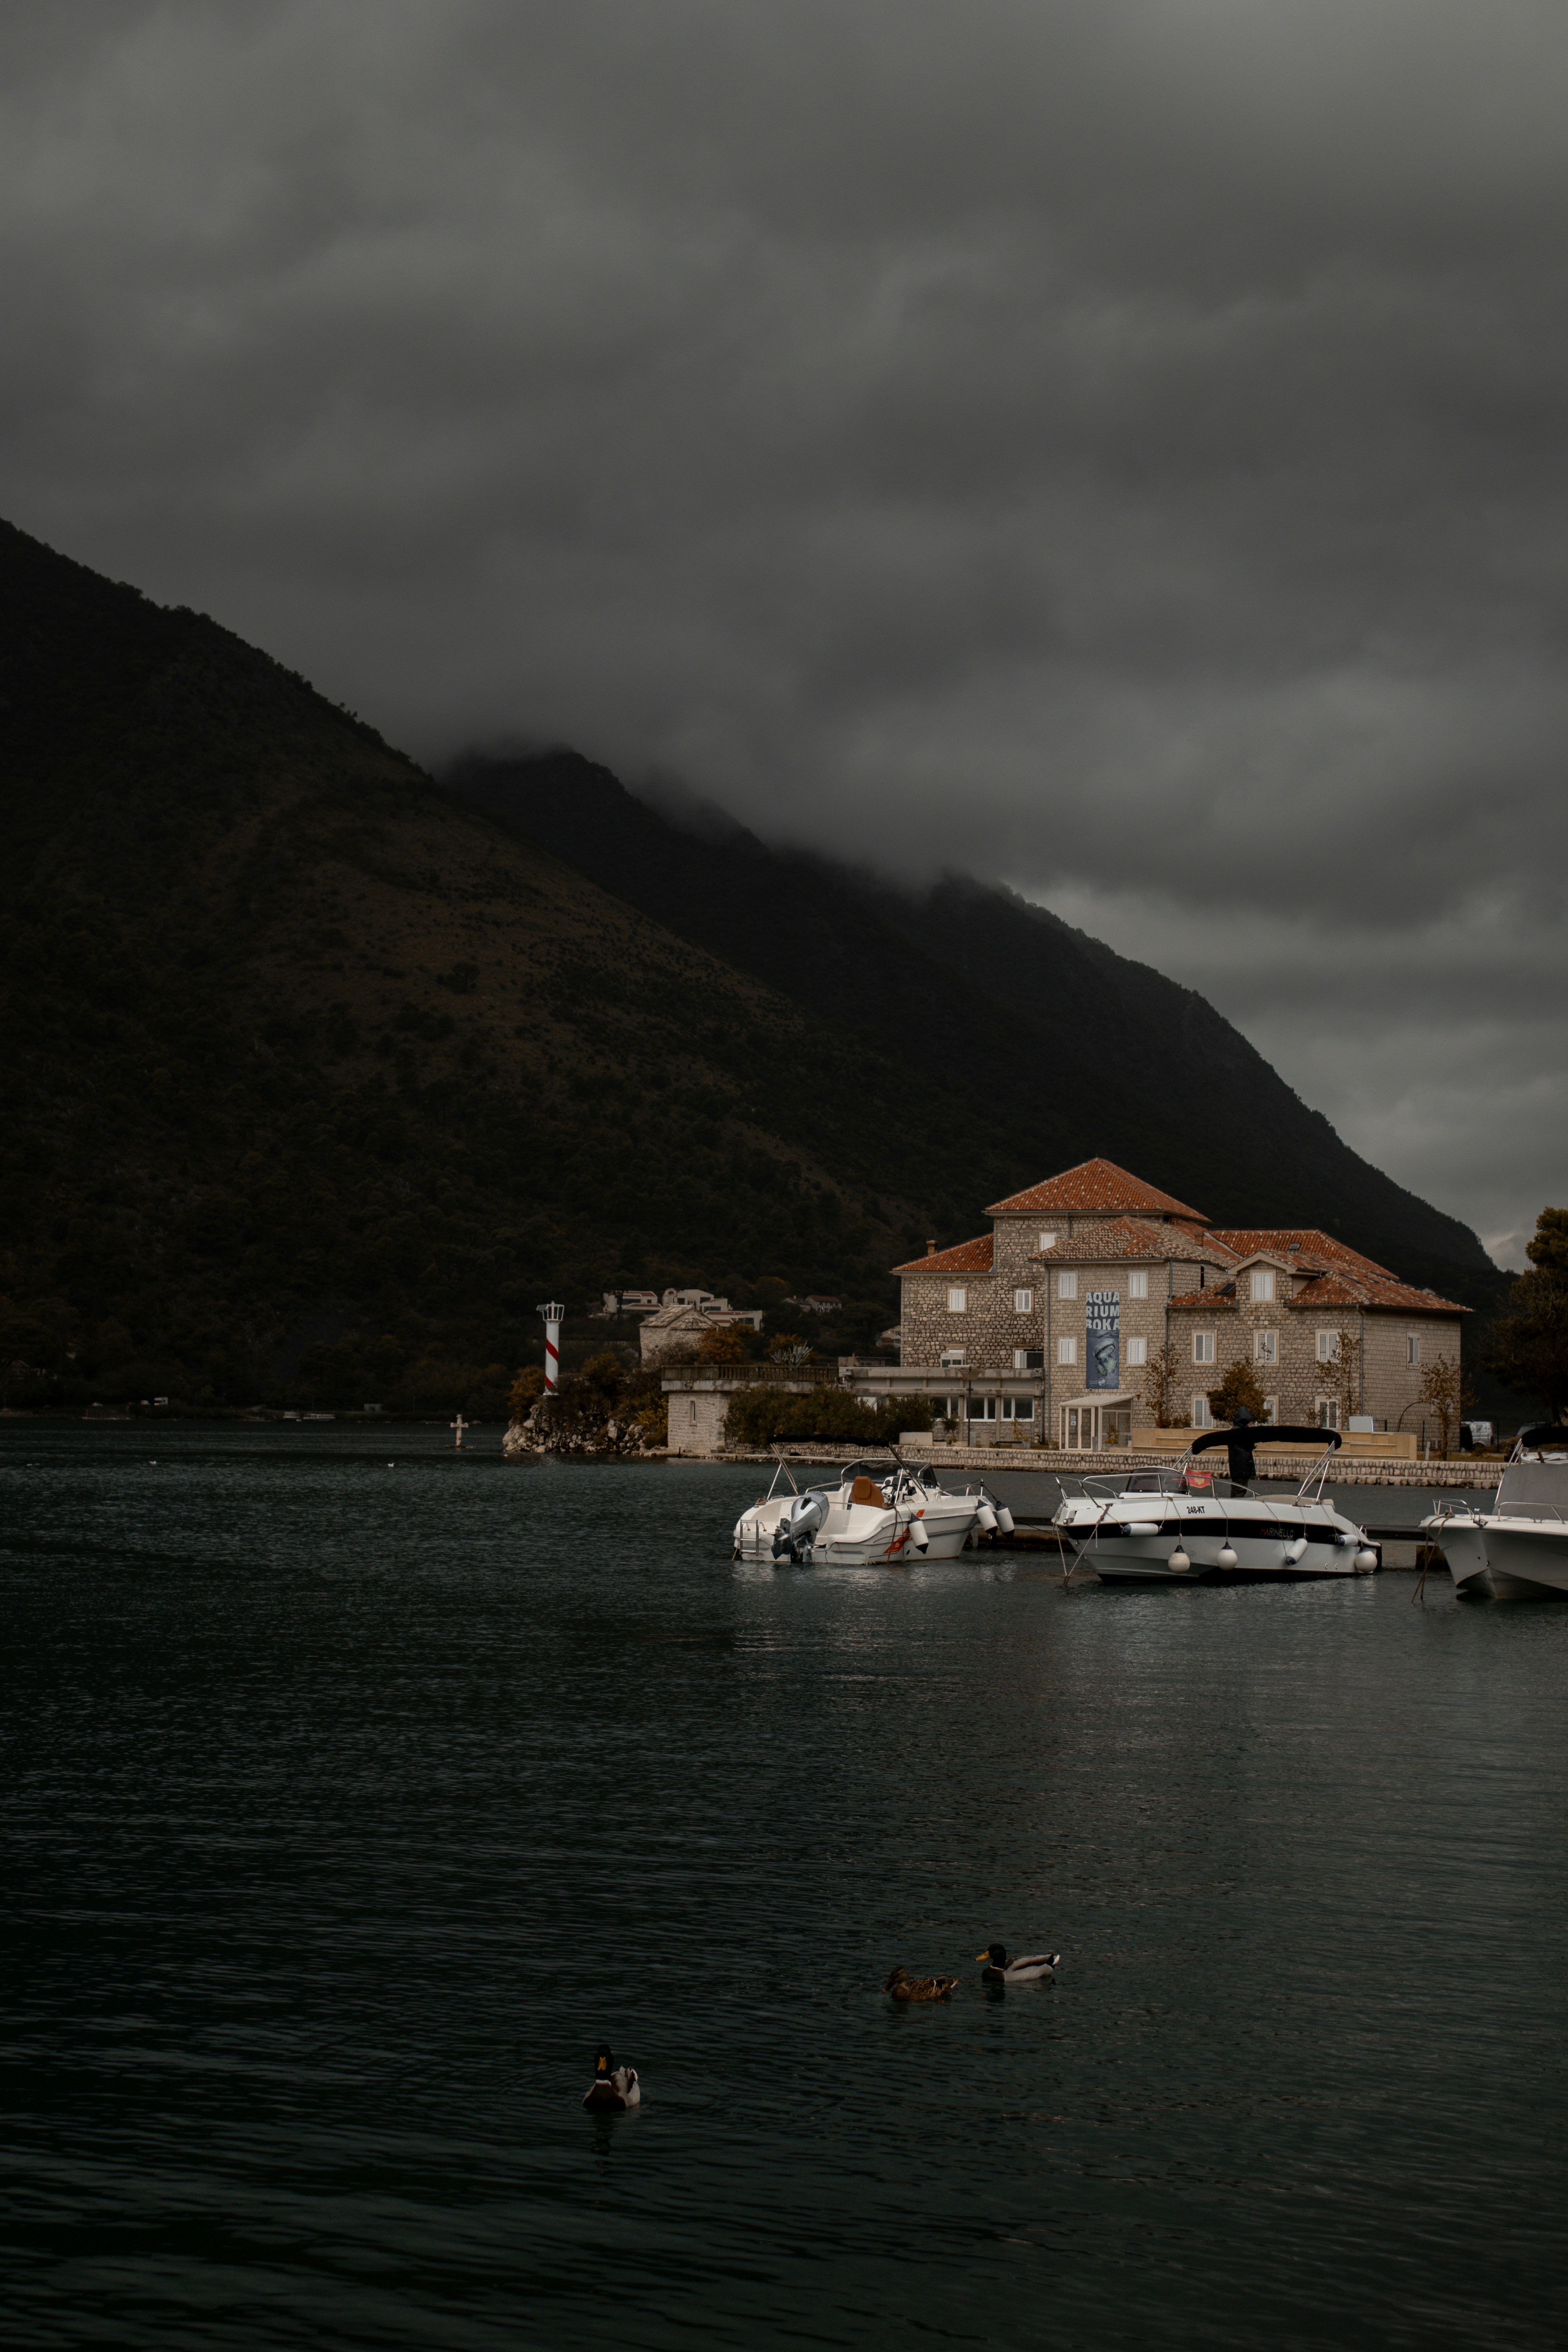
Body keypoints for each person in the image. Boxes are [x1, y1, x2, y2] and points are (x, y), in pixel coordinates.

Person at [1226, 1405, 1256, 1490]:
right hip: (1243, 1468)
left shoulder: (1233, 1430)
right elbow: (1248, 1445)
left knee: (1235, 1489)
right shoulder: (1242, 1432)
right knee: (1241, 1490)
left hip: (1235, 1467)